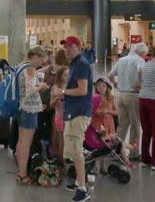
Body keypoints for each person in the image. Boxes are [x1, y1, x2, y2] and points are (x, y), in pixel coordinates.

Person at [61, 36, 93, 202]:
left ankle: (82, 188)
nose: (67, 49)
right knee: (73, 149)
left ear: (78, 48)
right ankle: (78, 181)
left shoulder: (81, 64)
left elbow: (82, 90)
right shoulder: (74, 64)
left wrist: (63, 92)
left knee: (76, 149)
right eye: (65, 46)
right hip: (73, 112)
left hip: (79, 113)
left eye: (70, 46)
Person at [15, 46, 48, 185]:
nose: (40, 63)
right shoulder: (30, 69)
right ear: (34, 56)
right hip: (30, 109)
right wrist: (42, 86)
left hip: (21, 108)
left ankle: (19, 172)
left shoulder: (21, 66)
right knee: (26, 144)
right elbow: (30, 90)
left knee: (21, 142)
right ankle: (23, 174)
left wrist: (39, 71)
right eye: (40, 60)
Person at [108, 42, 146, 158]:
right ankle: (134, 153)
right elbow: (141, 71)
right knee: (135, 125)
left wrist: (116, 84)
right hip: (133, 95)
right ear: (141, 52)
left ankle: (115, 151)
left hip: (121, 94)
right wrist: (140, 82)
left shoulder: (122, 60)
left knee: (122, 126)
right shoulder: (139, 60)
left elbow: (110, 75)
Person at [50, 66, 69, 161]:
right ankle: (61, 161)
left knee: (67, 140)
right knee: (62, 140)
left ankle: (63, 159)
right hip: (60, 117)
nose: (67, 76)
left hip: (70, 116)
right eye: (65, 75)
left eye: (68, 74)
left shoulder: (70, 87)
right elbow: (51, 105)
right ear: (60, 76)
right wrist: (56, 100)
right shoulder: (55, 88)